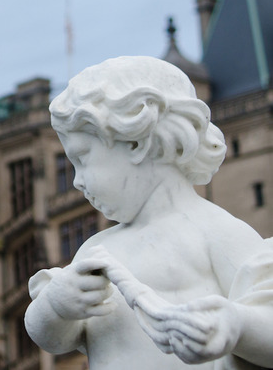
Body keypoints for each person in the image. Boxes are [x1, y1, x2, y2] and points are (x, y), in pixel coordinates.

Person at [24, 56, 273, 369]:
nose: (76, 182)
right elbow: (53, 339)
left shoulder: (214, 232)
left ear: (135, 144)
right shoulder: (97, 250)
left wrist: (237, 325)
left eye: (83, 159)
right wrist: (55, 307)